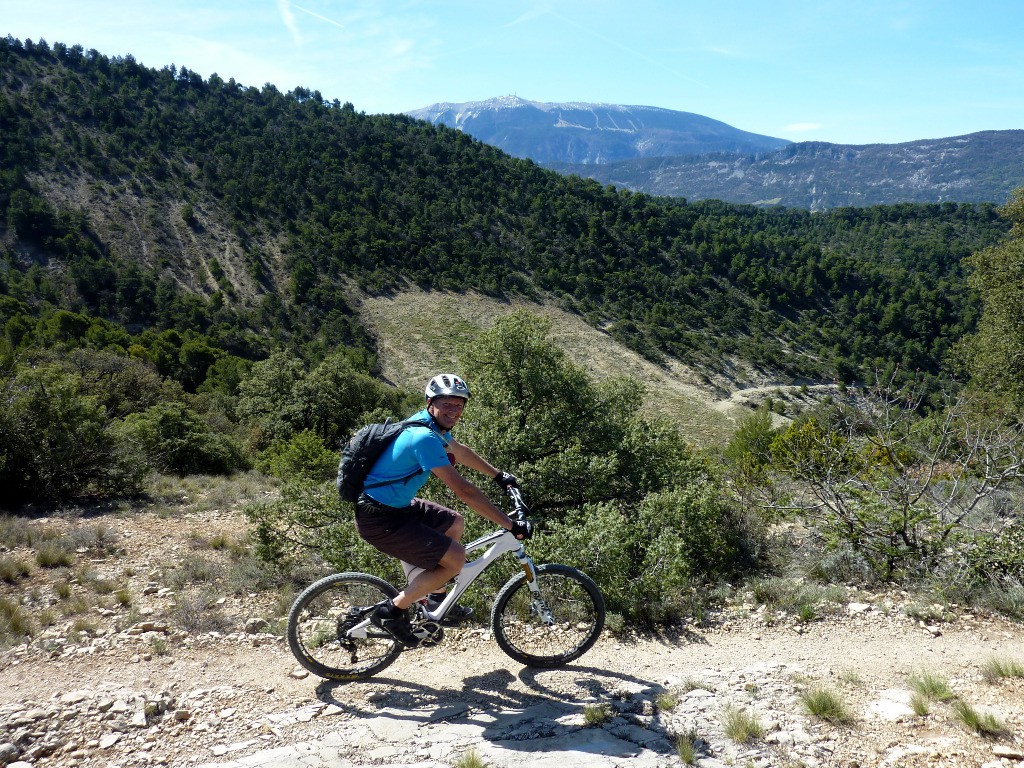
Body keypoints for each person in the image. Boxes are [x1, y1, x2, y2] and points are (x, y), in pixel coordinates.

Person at [355, 373, 532, 646]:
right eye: (447, 404)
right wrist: (510, 526)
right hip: (380, 519)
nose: (453, 410)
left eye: (458, 405)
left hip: (396, 508)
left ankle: (435, 596)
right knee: (456, 559)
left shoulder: (431, 425)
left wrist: (498, 475)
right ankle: (392, 611)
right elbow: (464, 491)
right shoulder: (423, 437)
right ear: (430, 402)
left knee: (453, 523)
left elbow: (460, 451)